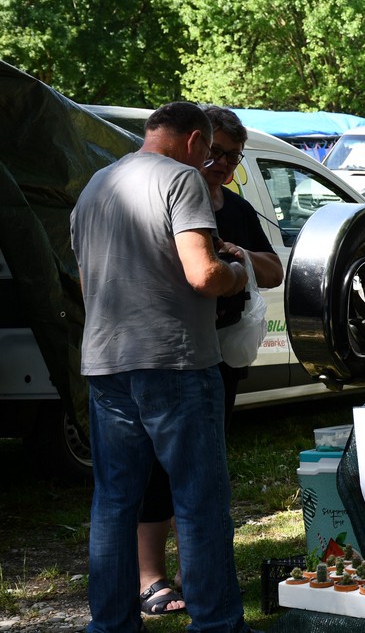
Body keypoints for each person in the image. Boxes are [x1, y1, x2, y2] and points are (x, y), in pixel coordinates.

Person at [71, 101, 258, 633]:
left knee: (114, 502)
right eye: (210, 152)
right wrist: (237, 273)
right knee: (199, 501)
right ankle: (218, 624)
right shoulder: (182, 180)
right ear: (195, 141)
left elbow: (88, 286)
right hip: (175, 362)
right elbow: (202, 275)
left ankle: (109, 625)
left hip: (106, 362)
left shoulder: (94, 187)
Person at [134, 106, 283, 617]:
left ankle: (200, 572)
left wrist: (239, 257)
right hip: (173, 351)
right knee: (157, 468)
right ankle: (152, 576)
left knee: (205, 466)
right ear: (197, 145)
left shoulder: (235, 206)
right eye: (216, 152)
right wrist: (219, 268)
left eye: (233, 158)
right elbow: (187, 273)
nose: (221, 164)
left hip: (220, 352)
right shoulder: (171, 193)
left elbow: (273, 268)